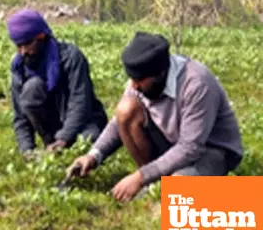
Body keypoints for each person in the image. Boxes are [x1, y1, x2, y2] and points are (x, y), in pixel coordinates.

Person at [69, 31, 244, 202]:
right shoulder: (141, 81)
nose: (134, 86)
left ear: (160, 73)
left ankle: (160, 182)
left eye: (140, 81)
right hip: (173, 143)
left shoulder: (196, 84)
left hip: (209, 150)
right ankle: (155, 180)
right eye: (132, 79)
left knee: (178, 187)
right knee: (126, 109)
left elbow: (191, 147)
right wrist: (93, 156)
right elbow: (118, 123)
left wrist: (140, 177)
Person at [7, 9, 108, 156]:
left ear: (41, 37)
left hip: (84, 123)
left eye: (28, 44)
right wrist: (26, 149)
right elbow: (20, 116)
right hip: (52, 129)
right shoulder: (20, 67)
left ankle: (60, 146)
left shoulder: (71, 58)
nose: (23, 51)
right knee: (31, 88)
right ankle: (51, 144)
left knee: (88, 140)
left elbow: (80, 103)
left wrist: (64, 138)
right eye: (19, 46)